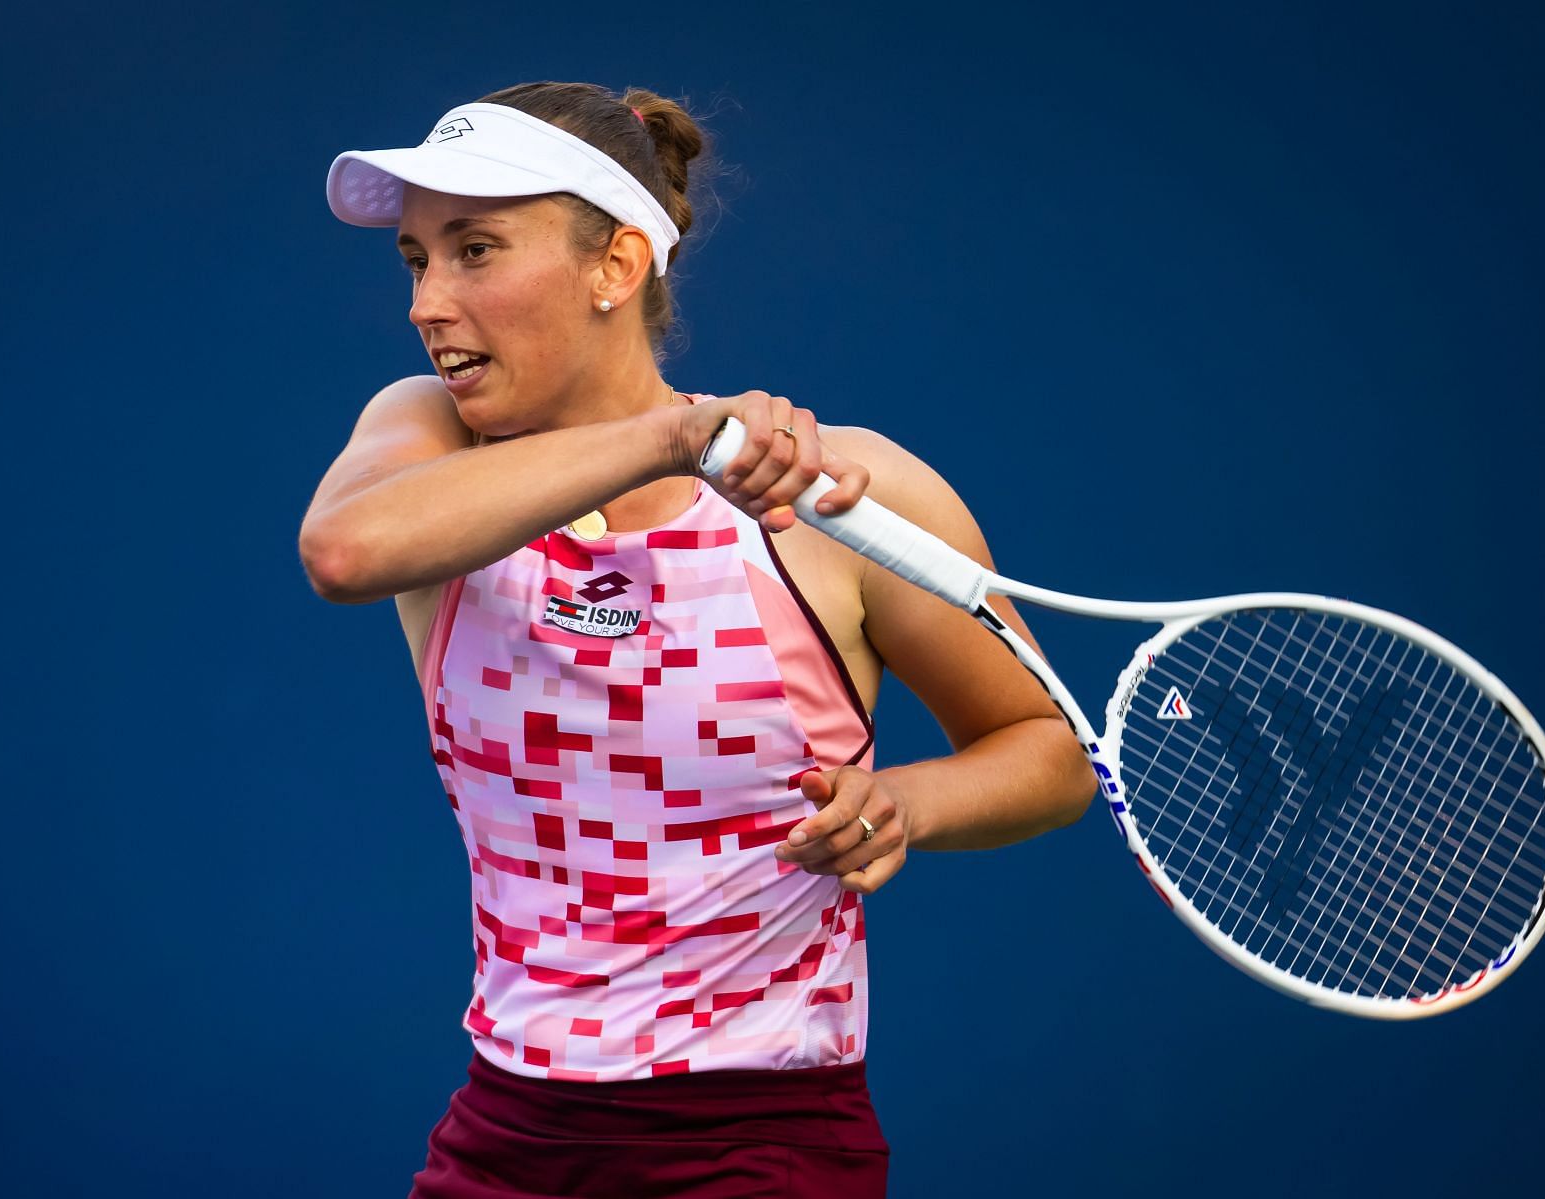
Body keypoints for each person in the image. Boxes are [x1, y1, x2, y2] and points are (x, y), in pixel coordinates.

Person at [300, 80, 1098, 1198]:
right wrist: (668, 438)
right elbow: (343, 550)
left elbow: (1053, 749)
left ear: (617, 268)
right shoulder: (425, 438)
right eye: (415, 258)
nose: (429, 300)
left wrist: (907, 804)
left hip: (766, 1143)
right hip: (509, 1135)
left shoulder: (840, 500)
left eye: (475, 250)